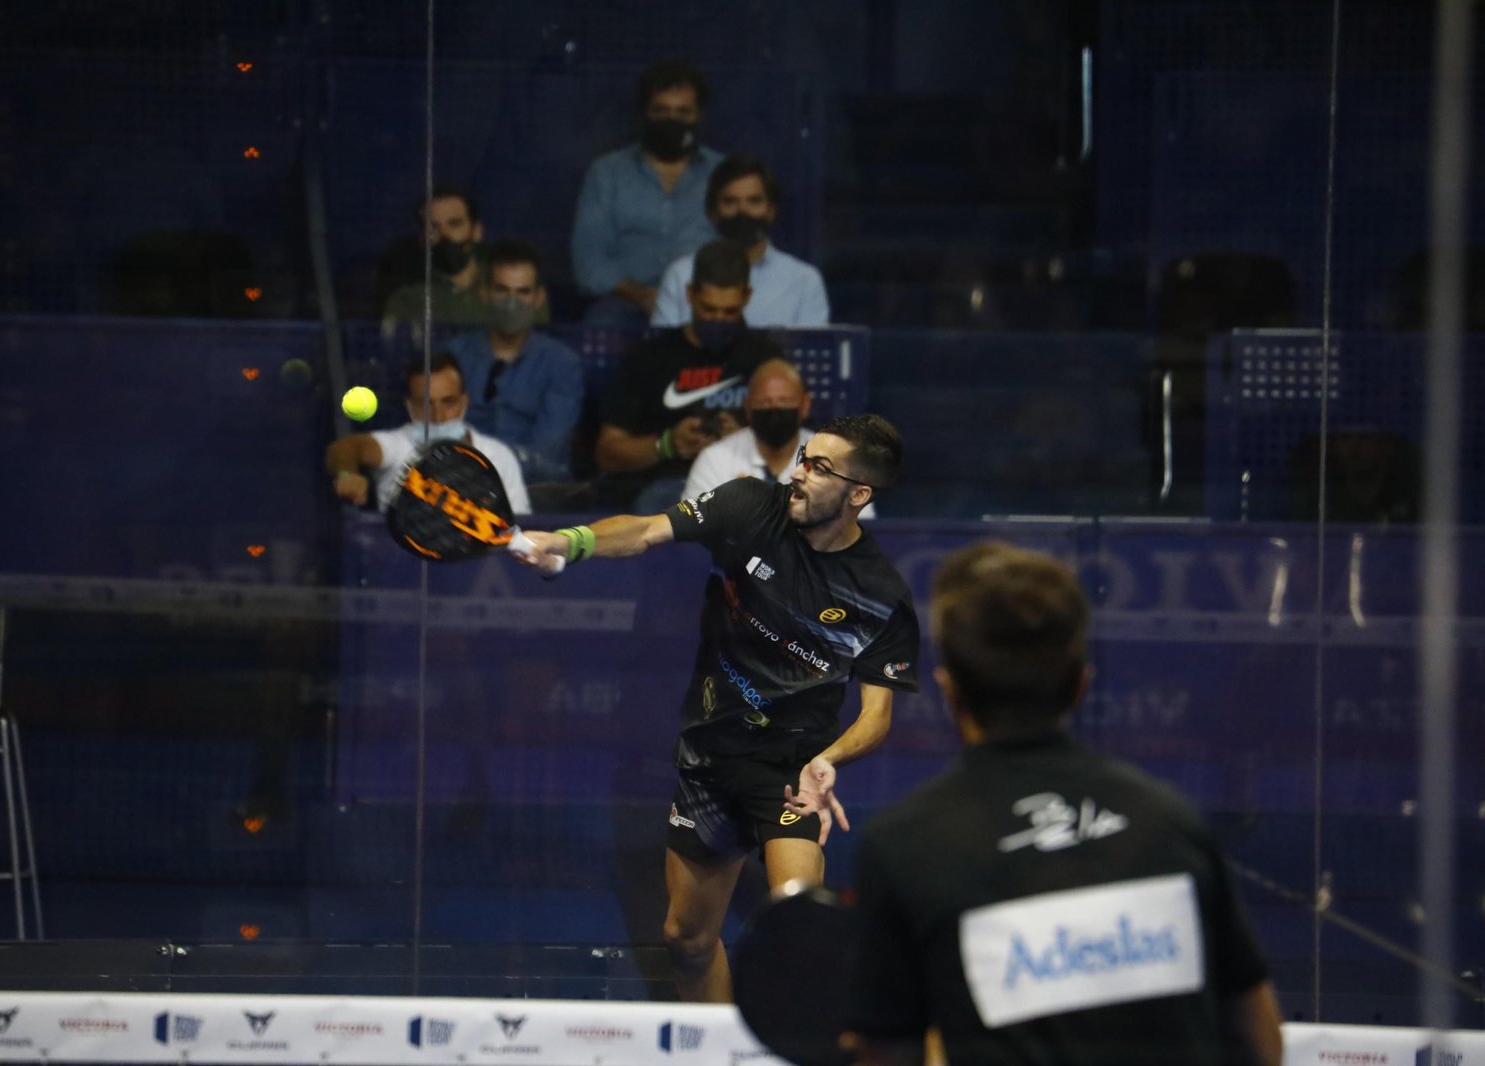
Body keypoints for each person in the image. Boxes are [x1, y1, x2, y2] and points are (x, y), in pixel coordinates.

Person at [514, 415, 920, 1004]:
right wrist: (568, 543)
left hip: (792, 771)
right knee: (686, 940)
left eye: (820, 468)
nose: (799, 473)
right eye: (804, 457)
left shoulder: (881, 594)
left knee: (800, 932)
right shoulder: (751, 505)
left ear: (860, 495)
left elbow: (876, 715)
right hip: (709, 756)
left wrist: (828, 760)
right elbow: (647, 530)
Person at [843, 541, 1284, 1066]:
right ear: (1080, 685)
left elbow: (884, 1055)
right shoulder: (1173, 821)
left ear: (949, 692)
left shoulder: (902, 846)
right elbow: (1258, 1041)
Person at [594, 239, 782, 512]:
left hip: (745, 486)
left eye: (729, 311)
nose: (718, 318)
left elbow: (796, 448)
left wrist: (745, 441)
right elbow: (607, 454)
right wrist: (667, 443)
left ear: (746, 297)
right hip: (664, 488)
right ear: (690, 294)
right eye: (708, 309)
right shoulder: (648, 358)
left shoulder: (767, 361)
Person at [571, 59, 724, 326]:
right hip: (625, 305)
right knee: (601, 321)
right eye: (661, 111)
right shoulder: (607, 173)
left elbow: (741, 252)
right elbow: (588, 261)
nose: (672, 120)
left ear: (699, 115)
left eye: (683, 112)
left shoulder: (723, 173)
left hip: (705, 307)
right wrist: (640, 295)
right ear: (645, 114)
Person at [323, 351, 531, 517]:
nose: (438, 416)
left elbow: (517, 529)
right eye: (425, 404)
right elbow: (344, 448)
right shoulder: (398, 445)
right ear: (409, 406)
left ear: (465, 401)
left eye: (448, 402)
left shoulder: (499, 456)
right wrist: (347, 475)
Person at [445, 240, 585, 481]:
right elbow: (437, 432)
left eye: (523, 292)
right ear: (484, 292)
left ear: (539, 297)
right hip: (461, 480)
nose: (512, 302)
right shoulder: (452, 356)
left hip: (535, 488)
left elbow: (547, 451)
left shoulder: (562, 363)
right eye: (502, 290)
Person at [652, 154, 830, 328]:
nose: (742, 211)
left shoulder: (805, 281)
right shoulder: (680, 276)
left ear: (771, 211)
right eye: (730, 202)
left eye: (754, 201)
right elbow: (665, 353)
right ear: (711, 212)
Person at [682, 359, 875, 519]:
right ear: (747, 407)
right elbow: (691, 533)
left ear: (805, 405)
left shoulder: (837, 459)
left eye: (785, 402)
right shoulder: (715, 460)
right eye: (764, 402)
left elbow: (861, 529)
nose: (774, 410)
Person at [380, 184, 550, 330]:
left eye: (455, 224)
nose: (445, 235)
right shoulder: (408, 301)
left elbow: (540, 347)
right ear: (423, 237)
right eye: (433, 227)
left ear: (477, 231)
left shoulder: (513, 285)